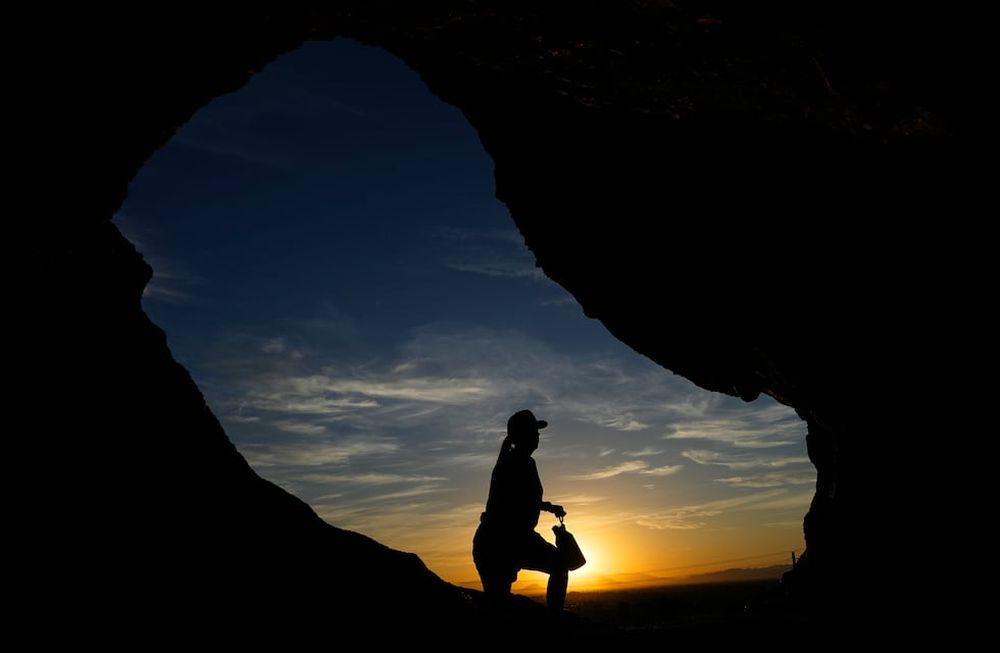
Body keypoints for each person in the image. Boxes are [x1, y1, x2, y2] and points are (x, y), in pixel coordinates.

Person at [472, 409, 570, 610]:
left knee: (499, 604)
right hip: (504, 540)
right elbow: (513, 503)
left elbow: (520, 499)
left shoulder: (521, 461)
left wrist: (549, 507)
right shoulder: (516, 463)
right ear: (524, 435)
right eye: (534, 431)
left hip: (500, 541)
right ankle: (556, 620)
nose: (538, 435)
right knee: (559, 565)